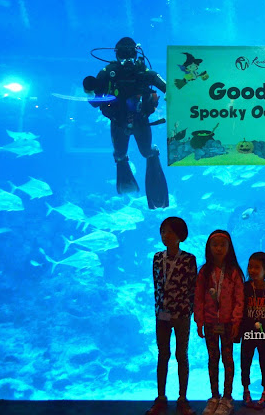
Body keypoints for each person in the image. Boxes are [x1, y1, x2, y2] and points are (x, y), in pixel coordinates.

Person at [83, 37, 169, 209]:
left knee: (126, 154)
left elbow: (93, 100)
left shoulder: (109, 72)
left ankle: (130, 183)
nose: (127, 59)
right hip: (132, 122)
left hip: (124, 122)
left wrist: (89, 89)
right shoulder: (139, 72)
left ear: (116, 54)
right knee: (138, 153)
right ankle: (155, 194)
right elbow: (167, 87)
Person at [146, 217, 198, 415]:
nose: (165, 235)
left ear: (180, 235)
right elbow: (157, 285)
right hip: (162, 315)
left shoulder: (189, 259)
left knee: (181, 355)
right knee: (163, 354)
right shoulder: (157, 258)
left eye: (169, 231)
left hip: (182, 314)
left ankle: (183, 398)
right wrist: (159, 308)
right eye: (162, 231)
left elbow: (192, 287)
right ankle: (160, 397)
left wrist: (188, 310)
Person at [194, 230, 245, 415]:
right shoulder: (204, 272)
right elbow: (198, 298)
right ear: (208, 247)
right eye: (214, 245)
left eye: (222, 245)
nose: (218, 248)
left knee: (228, 359)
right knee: (213, 359)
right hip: (209, 323)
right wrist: (199, 320)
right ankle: (214, 396)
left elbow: (239, 299)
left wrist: (236, 321)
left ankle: (227, 398)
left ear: (229, 247)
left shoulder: (234, 272)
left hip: (228, 324)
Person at [241, 252, 265, 410]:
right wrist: (238, 332)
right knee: (245, 361)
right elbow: (241, 311)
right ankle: (246, 390)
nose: (252, 270)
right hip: (247, 332)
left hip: (264, 334)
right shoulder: (245, 287)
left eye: (257, 267)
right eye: (250, 267)